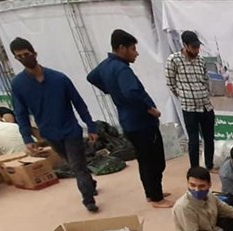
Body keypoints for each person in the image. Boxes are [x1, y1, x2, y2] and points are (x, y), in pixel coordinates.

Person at [9, 37, 99, 212]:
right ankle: (90, 183)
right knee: (74, 164)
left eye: (26, 54)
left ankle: (88, 200)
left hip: (71, 130)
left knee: (77, 165)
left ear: (34, 53)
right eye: (19, 57)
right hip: (49, 133)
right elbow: (20, 113)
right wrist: (27, 138)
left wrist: (91, 126)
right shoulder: (18, 84)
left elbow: (78, 103)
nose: (23, 58)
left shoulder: (59, 78)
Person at [88, 29, 172, 208]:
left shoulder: (106, 66)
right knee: (155, 160)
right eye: (133, 49)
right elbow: (132, 92)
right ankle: (157, 198)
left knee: (144, 159)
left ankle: (151, 193)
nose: (136, 53)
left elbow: (91, 77)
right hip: (142, 122)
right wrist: (150, 109)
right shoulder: (122, 69)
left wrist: (111, 90)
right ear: (121, 48)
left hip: (128, 122)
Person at [166, 31, 215, 171]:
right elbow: (171, 83)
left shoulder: (200, 60)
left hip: (205, 106)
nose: (196, 50)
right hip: (189, 108)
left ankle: (209, 165)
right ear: (185, 45)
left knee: (209, 138)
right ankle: (195, 169)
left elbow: (205, 80)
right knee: (193, 141)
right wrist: (184, 96)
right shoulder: (174, 60)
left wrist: (204, 93)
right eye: (193, 47)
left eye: (198, 47)